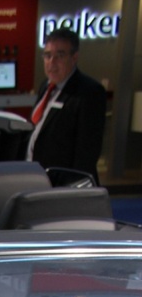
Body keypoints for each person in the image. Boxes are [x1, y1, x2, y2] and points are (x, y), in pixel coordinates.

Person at [25, 27, 107, 184]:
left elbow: (86, 154)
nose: (52, 62)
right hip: (37, 178)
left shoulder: (89, 92)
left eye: (60, 55)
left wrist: (70, 191)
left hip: (63, 186)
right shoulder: (46, 86)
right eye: (48, 55)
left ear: (74, 58)